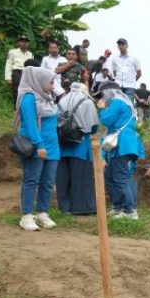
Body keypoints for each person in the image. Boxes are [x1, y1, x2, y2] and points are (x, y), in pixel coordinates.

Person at [15, 67, 59, 231]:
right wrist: (39, 145)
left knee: (48, 182)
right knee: (32, 180)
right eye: (51, 82)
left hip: (53, 147)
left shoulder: (47, 98)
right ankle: (26, 215)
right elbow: (31, 125)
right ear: (39, 81)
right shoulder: (28, 98)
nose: (53, 86)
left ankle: (42, 213)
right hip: (36, 146)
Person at [98, 81, 142, 220]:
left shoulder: (117, 102)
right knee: (111, 177)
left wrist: (102, 108)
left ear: (108, 92)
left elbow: (106, 120)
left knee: (120, 178)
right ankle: (118, 208)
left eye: (103, 95)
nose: (102, 98)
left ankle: (129, 210)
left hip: (122, 144)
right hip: (120, 144)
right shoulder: (125, 103)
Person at [56, 83, 100, 214]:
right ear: (84, 90)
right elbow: (93, 125)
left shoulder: (62, 100)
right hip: (80, 144)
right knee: (81, 177)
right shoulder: (87, 101)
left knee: (63, 177)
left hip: (62, 144)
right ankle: (81, 207)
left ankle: (64, 207)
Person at [5, 35, 34, 109]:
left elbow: (32, 68)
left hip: (27, 74)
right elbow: (8, 64)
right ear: (19, 43)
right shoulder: (12, 52)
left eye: (26, 42)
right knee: (16, 92)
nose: (24, 43)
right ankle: (16, 109)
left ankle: (25, 108)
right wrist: (8, 77)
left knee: (27, 92)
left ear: (28, 44)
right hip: (17, 73)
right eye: (22, 41)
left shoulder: (30, 54)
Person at [112, 38, 141, 102]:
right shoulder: (115, 59)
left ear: (127, 46)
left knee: (129, 106)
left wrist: (132, 81)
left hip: (130, 86)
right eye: (119, 44)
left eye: (122, 44)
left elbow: (139, 73)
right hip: (118, 86)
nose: (121, 46)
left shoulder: (134, 58)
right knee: (117, 104)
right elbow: (114, 73)